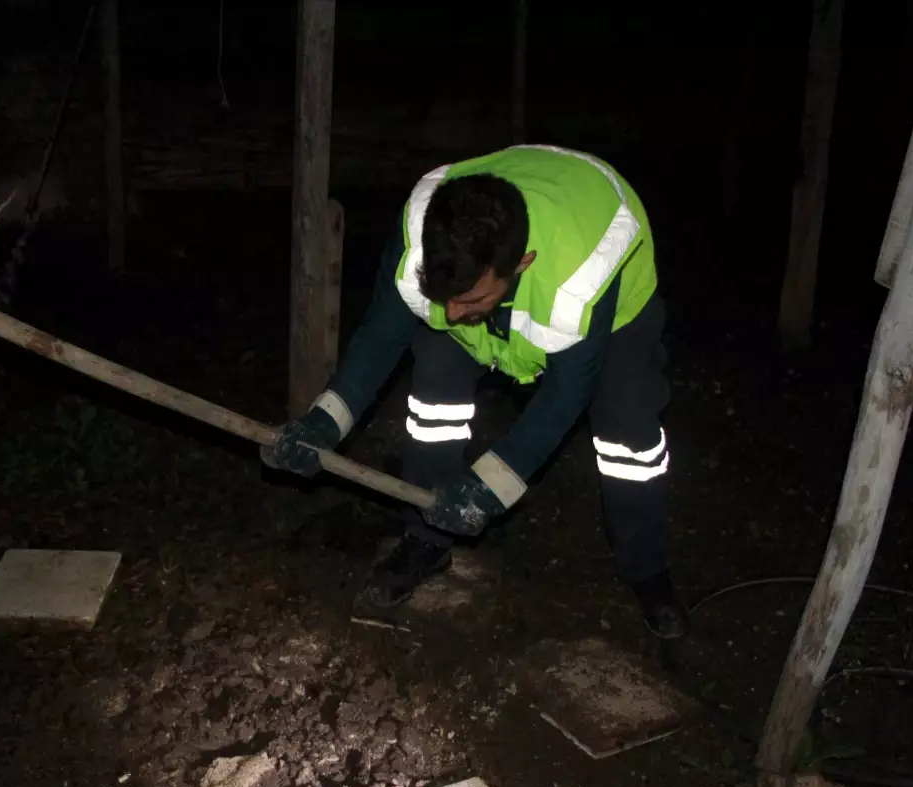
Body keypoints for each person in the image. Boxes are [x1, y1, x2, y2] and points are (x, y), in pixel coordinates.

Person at [262, 144, 685, 639]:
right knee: (434, 394)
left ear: (521, 264)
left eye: (471, 300)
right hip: (505, 252)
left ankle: (647, 570)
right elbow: (379, 339)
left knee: (627, 437)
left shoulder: (581, 278)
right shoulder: (422, 240)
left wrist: (490, 487)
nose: (453, 315)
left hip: (614, 306)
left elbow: (566, 396)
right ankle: (426, 537)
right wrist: (322, 423)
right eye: (445, 298)